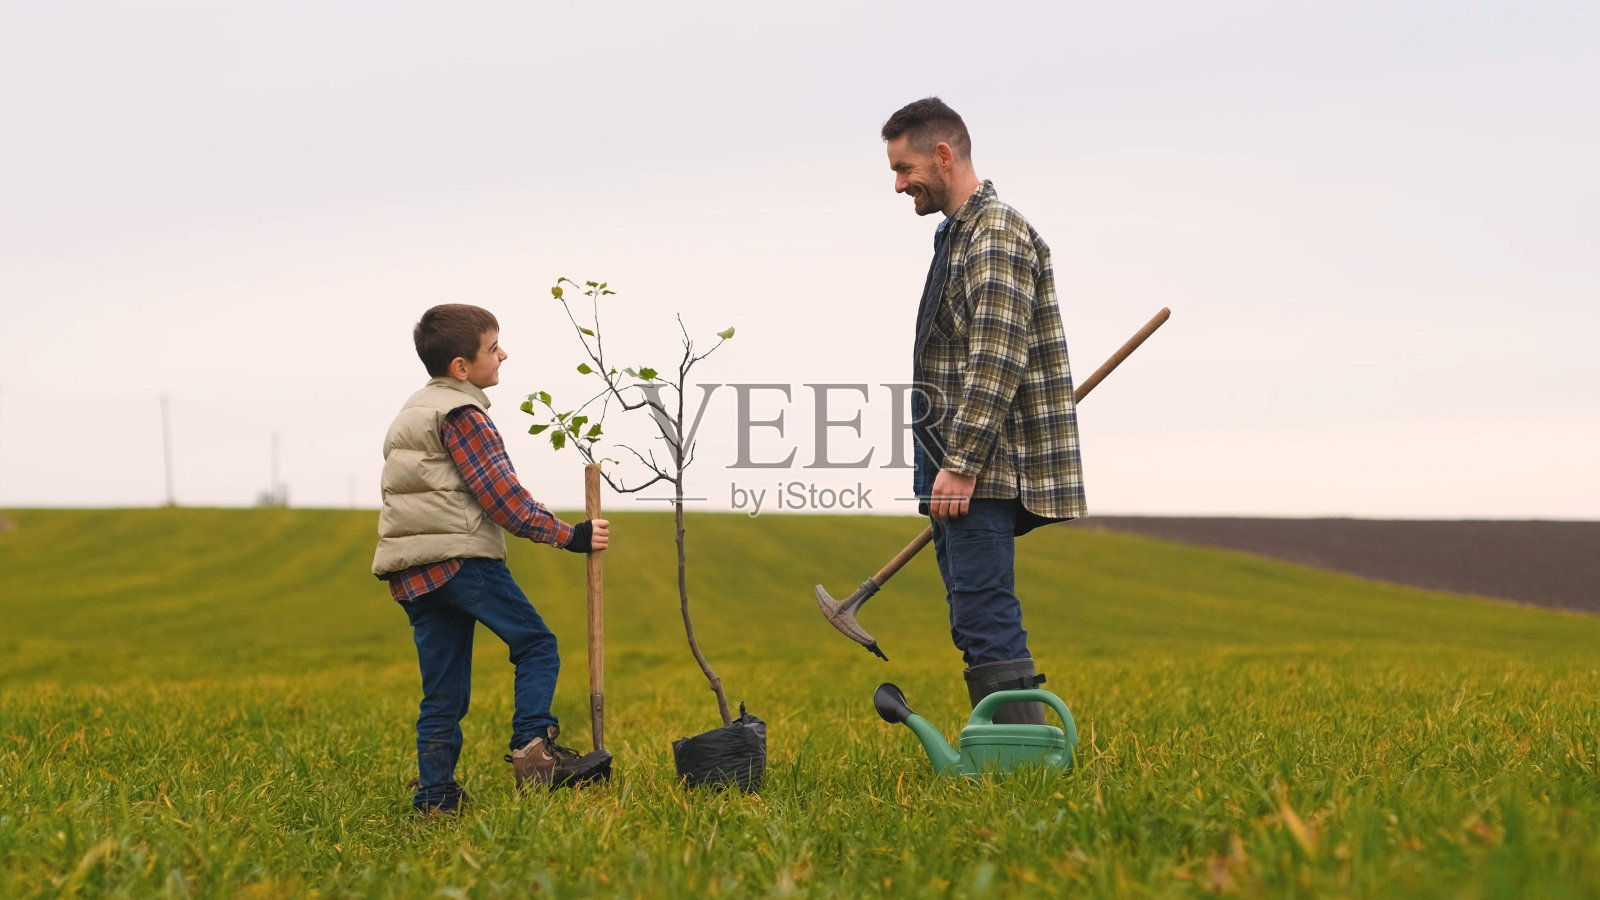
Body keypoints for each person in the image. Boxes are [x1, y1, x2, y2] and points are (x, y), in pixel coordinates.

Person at [882, 98, 1087, 724]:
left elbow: (995, 355)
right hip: (959, 467)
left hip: (984, 469)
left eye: (904, 167)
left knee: (984, 609)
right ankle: (1012, 747)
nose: (897, 185)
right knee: (975, 613)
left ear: (944, 155)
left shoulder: (995, 233)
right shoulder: (960, 234)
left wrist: (963, 462)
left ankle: (1021, 756)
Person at [372, 303, 612, 815]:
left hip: (413, 570)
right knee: (536, 644)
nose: (503, 354)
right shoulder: (464, 415)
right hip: (461, 559)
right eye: (492, 347)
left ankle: (436, 797)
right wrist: (572, 536)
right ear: (462, 367)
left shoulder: (410, 414)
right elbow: (504, 500)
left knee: (442, 691)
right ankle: (535, 753)